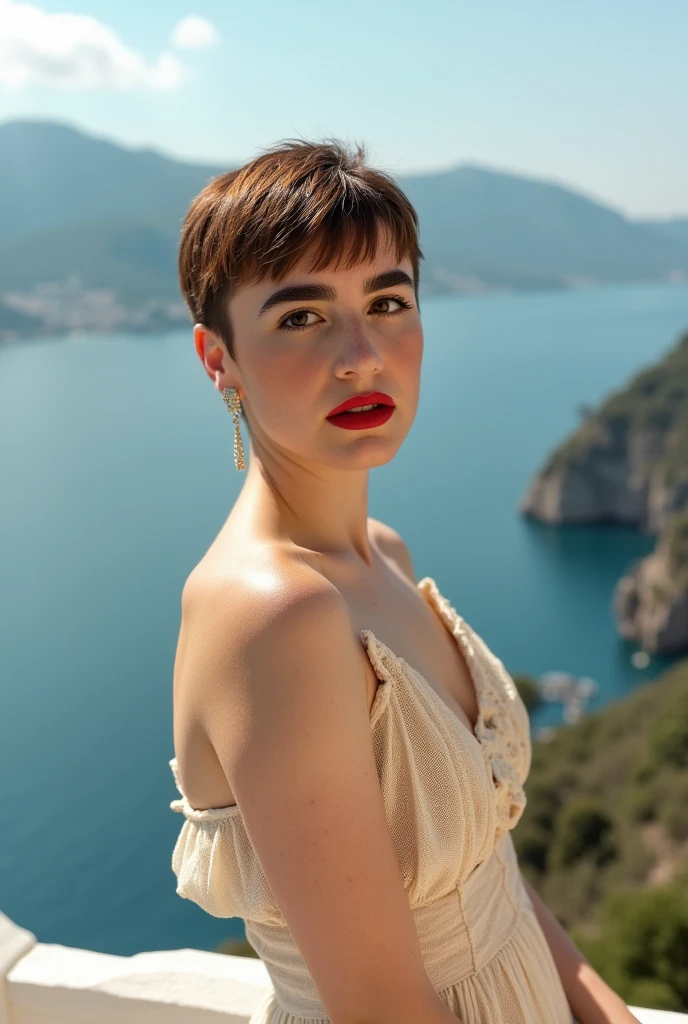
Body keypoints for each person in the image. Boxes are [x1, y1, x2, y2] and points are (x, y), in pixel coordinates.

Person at [168, 140, 639, 1024]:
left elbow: (485, 874)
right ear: (217, 358)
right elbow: (382, 1008)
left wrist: (601, 1008)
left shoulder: (384, 553)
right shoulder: (274, 616)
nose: (362, 355)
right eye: (301, 317)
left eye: (388, 302)